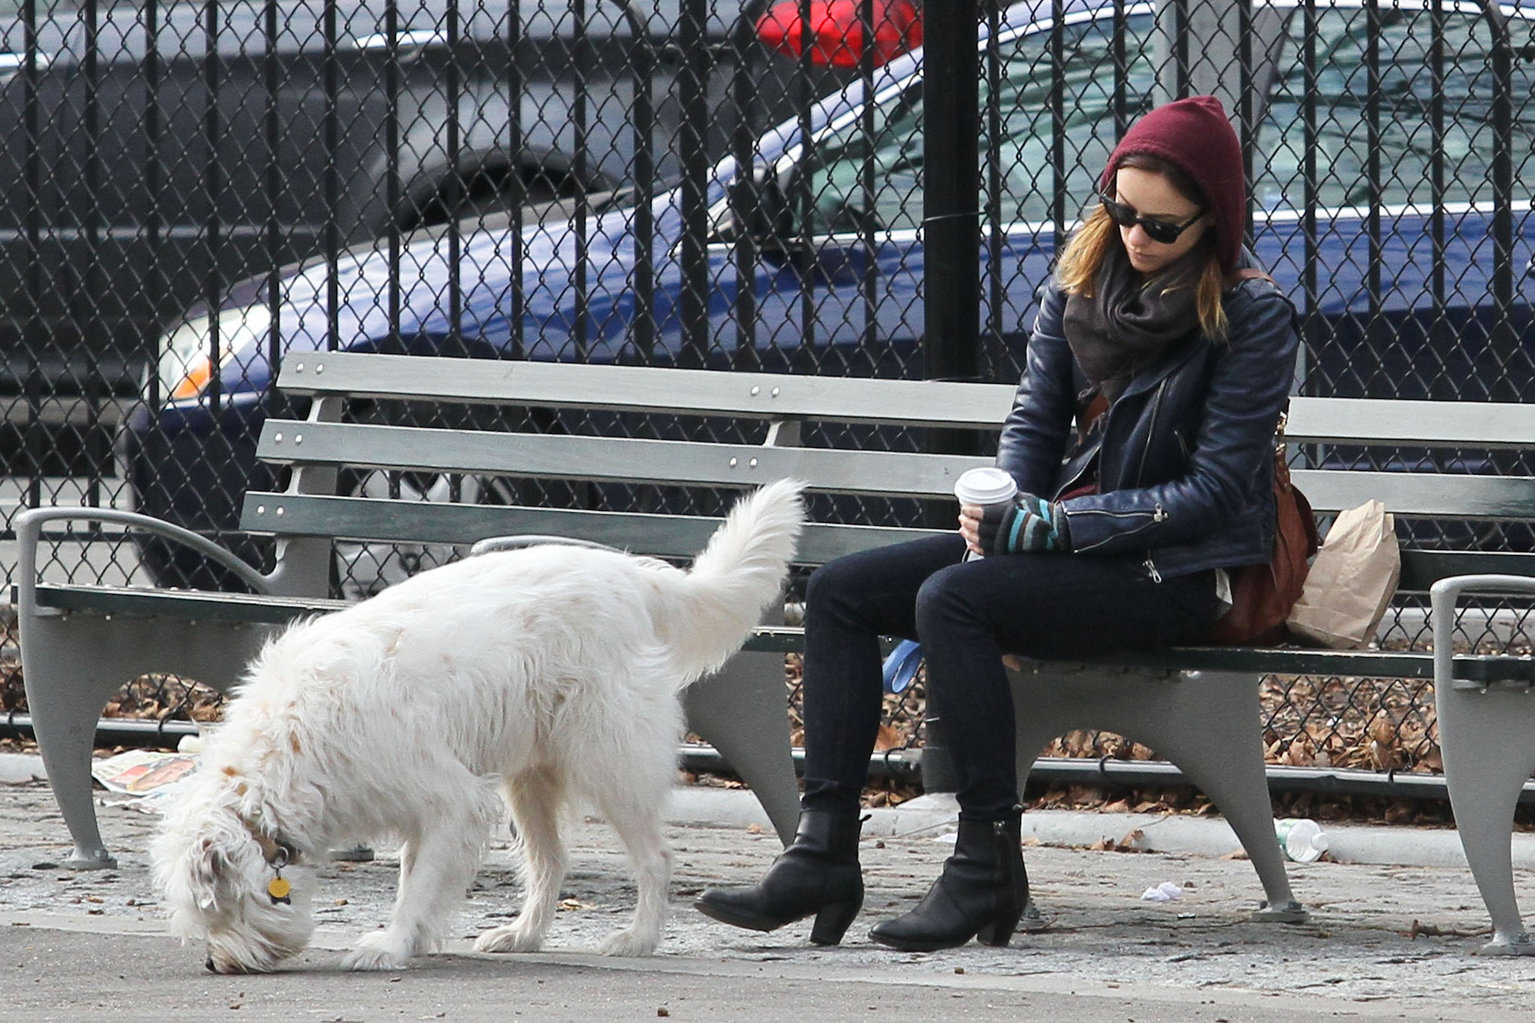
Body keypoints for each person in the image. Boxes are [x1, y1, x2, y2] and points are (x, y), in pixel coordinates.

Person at [694, 96, 1300, 952]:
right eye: (1120, 211)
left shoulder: (1250, 315)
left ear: (1215, 220)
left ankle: (984, 863)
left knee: (954, 598)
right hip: (1068, 542)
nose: (1134, 236)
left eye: (1161, 227)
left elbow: (1211, 493)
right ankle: (821, 852)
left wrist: (1050, 529)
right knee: (840, 591)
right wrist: (1001, 507)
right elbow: (1033, 422)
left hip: (1176, 570)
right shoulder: (1080, 285)